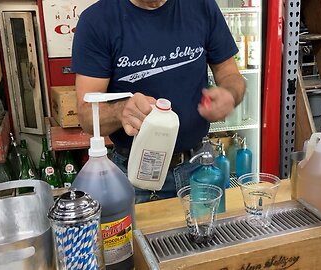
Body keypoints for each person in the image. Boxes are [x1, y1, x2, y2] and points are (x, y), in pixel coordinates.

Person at [71, 0, 246, 203]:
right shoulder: (97, 20)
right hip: (136, 175)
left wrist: (230, 94)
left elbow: (229, 73)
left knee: (208, 234)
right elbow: (86, 115)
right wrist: (121, 111)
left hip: (200, 167)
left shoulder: (202, 6)